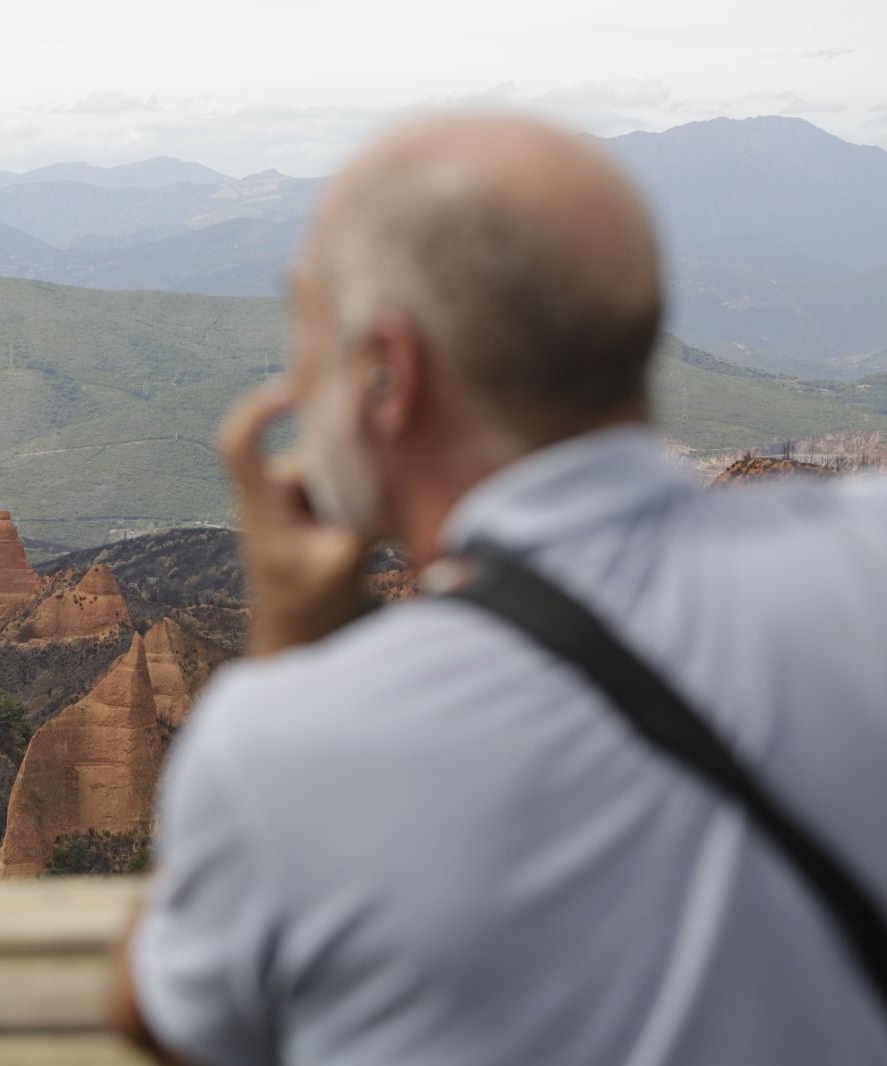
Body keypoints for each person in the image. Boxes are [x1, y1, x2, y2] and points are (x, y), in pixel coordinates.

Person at [109, 112, 887, 1065]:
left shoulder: (285, 748)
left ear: (389, 375)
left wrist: (295, 645)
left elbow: (168, 1021)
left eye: (309, 337)